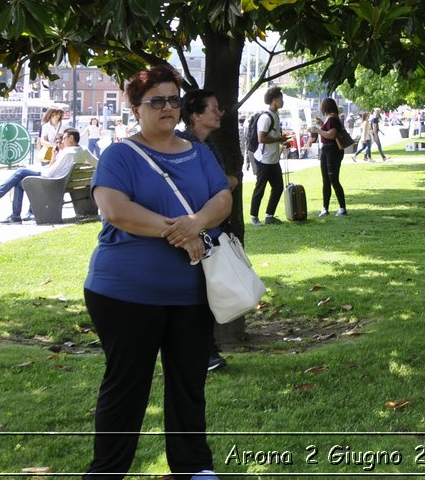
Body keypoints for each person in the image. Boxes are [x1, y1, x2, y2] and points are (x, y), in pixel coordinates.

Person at [84, 63, 229, 480]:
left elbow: (222, 199)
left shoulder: (198, 152)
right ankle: (107, 473)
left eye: (173, 99)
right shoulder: (120, 155)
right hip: (125, 293)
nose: (168, 107)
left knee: (188, 384)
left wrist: (196, 223)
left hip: (191, 293)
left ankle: (194, 468)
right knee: (126, 389)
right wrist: (180, 232)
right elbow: (115, 209)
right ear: (136, 108)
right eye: (157, 101)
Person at [179, 89, 236, 375]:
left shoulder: (205, 144)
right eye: (213, 108)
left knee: (205, 292)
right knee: (198, 294)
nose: (219, 112)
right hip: (193, 231)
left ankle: (207, 350)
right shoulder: (185, 146)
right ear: (196, 115)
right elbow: (205, 187)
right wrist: (228, 181)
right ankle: (206, 352)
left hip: (207, 229)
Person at [0, 128, 84, 223]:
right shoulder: (71, 152)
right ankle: (14, 215)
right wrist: (53, 156)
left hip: (50, 181)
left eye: (62, 140)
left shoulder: (67, 153)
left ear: (69, 139)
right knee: (19, 183)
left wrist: (42, 172)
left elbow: (51, 172)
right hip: (54, 179)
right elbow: (53, 168)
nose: (59, 143)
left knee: (20, 171)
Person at [249, 86, 286, 225]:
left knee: (278, 187)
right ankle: (254, 217)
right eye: (281, 99)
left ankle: (269, 216)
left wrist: (281, 141)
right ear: (275, 100)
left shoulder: (276, 115)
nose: (283, 101)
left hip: (273, 159)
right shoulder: (266, 117)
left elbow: (273, 135)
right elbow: (261, 138)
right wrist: (279, 140)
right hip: (263, 160)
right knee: (260, 188)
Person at [313, 97, 349, 216]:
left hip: (331, 150)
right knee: (326, 180)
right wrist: (322, 124)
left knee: (333, 179)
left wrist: (317, 130)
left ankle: (342, 208)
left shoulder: (333, 119)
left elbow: (332, 134)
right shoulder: (331, 119)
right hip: (326, 150)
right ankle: (325, 208)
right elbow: (329, 131)